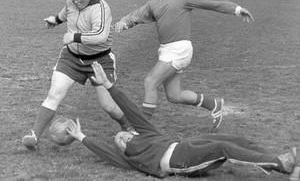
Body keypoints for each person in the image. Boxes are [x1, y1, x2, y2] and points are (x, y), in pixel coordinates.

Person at [66, 61, 299, 180]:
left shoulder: (146, 134)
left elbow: (130, 109)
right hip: (179, 161)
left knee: (234, 138)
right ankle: (280, 164)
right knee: (223, 148)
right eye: (120, 140)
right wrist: (81, 137)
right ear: (122, 150)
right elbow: (106, 153)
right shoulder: (131, 158)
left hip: (185, 144)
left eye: (123, 134)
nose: (123, 136)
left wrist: (108, 85)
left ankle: (279, 160)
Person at [114, 0, 255, 128]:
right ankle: (213, 104)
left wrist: (237, 9)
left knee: (150, 82)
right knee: (174, 95)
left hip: (180, 49)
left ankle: (141, 129)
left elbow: (212, 3)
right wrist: (124, 22)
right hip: (166, 50)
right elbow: (136, 16)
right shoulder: (153, 4)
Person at [22, 0, 136, 152]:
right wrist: (55, 20)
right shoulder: (71, 2)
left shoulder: (100, 8)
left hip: (99, 60)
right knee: (54, 93)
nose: (75, 0)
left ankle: (128, 126)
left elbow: (101, 36)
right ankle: (34, 136)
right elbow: (66, 12)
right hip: (71, 58)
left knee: (109, 106)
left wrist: (74, 37)